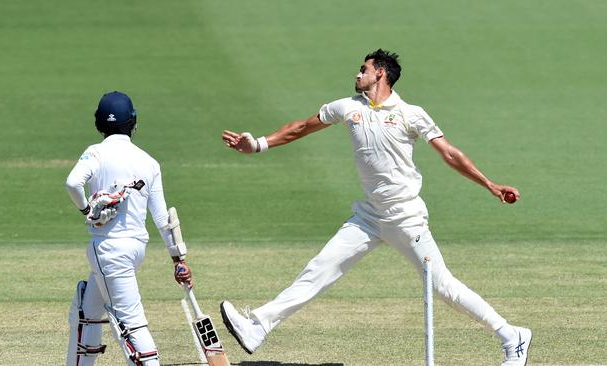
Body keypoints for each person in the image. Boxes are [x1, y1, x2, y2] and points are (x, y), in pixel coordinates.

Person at [219, 50, 531, 366]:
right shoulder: (347, 107)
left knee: (443, 287)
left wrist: (491, 185)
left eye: (363, 69)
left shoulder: (411, 114)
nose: (357, 74)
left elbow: (450, 154)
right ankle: (257, 326)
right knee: (320, 268)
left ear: (380, 73)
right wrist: (258, 144)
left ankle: (511, 335)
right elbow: (301, 127)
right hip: (369, 217)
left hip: (406, 217)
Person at [65, 91, 192, 366]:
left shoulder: (95, 153)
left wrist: (87, 211)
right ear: (133, 122)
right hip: (135, 249)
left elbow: (72, 183)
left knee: (130, 323)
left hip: (109, 250)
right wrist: (178, 260)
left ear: (99, 123)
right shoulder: (148, 161)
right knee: (86, 308)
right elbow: (163, 218)